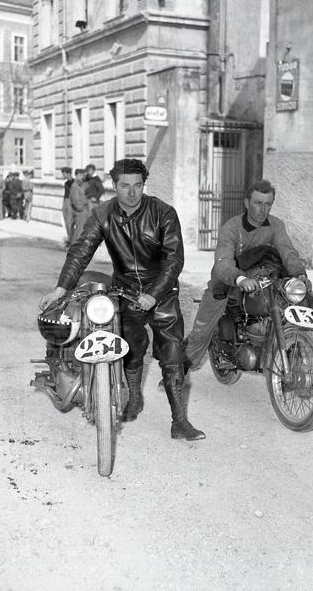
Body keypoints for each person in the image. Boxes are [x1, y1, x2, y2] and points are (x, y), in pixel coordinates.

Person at [39, 158, 204, 441]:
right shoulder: (102, 214)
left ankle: (179, 421)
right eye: (125, 186)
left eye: (137, 185)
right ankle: (134, 398)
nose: (131, 192)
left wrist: (153, 294)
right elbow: (81, 251)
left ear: (143, 185)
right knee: (130, 348)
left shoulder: (163, 213)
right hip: (124, 291)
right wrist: (61, 288)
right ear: (114, 186)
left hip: (162, 292)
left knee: (172, 355)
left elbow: (174, 259)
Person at [183, 179, 313, 372]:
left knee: (297, 304)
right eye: (258, 203)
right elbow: (223, 261)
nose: (263, 209)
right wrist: (240, 279)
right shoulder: (232, 227)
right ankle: (177, 373)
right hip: (228, 281)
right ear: (247, 202)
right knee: (201, 331)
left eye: (268, 204)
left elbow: (287, 251)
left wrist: (299, 274)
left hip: (265, 279)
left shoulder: (276, 225)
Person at [69, 168, 89, 244]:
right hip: (80, 212)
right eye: (80, 175)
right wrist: (81, 209)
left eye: (82, 175)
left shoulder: (81, 185)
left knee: (82, 230)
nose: (82, 177)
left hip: (84, 210)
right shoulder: (75, 186)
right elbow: (75, 200)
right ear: (76, 175)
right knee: (79, 231)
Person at [60, 167, 74, 245]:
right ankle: (69, 238)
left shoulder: (73, 182)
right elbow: (65, 194)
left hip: (71, 202)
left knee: (70, 221)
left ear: (68, 173)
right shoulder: (66, 183)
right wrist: (63, 204)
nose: (63, 175)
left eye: (64, 173)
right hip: (66, 201)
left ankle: (72, 239)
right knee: (66, 221)